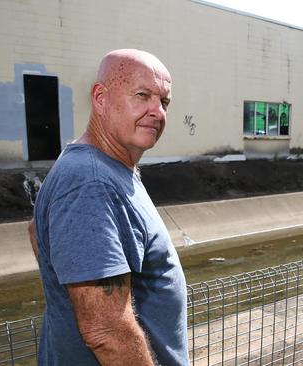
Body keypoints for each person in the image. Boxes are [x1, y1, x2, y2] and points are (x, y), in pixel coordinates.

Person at [30, 49, 189, 365]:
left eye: (164, 102)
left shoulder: (106, 166)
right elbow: (106, 332)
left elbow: (36, 231)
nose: (157, 111)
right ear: (100, 98)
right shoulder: (90, 181)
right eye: (142, 96)